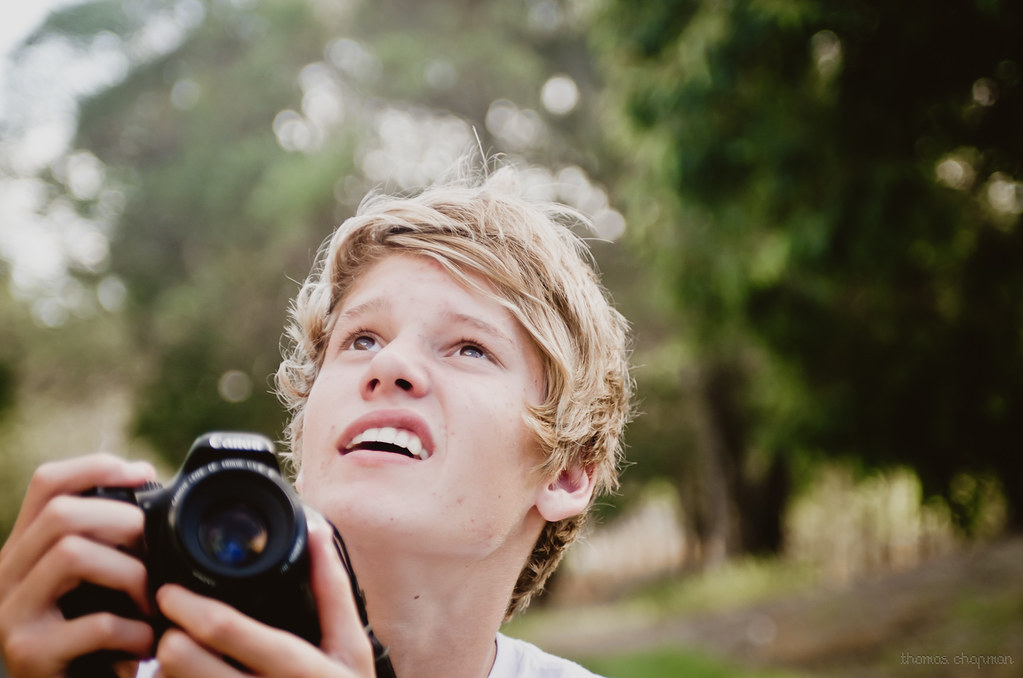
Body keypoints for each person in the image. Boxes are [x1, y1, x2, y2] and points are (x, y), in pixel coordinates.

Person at [0, 160, 634, 678]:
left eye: (470, 348)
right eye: (360, 339)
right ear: (304, 432)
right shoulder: (115, 660)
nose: (390, 364)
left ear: (568, 473)